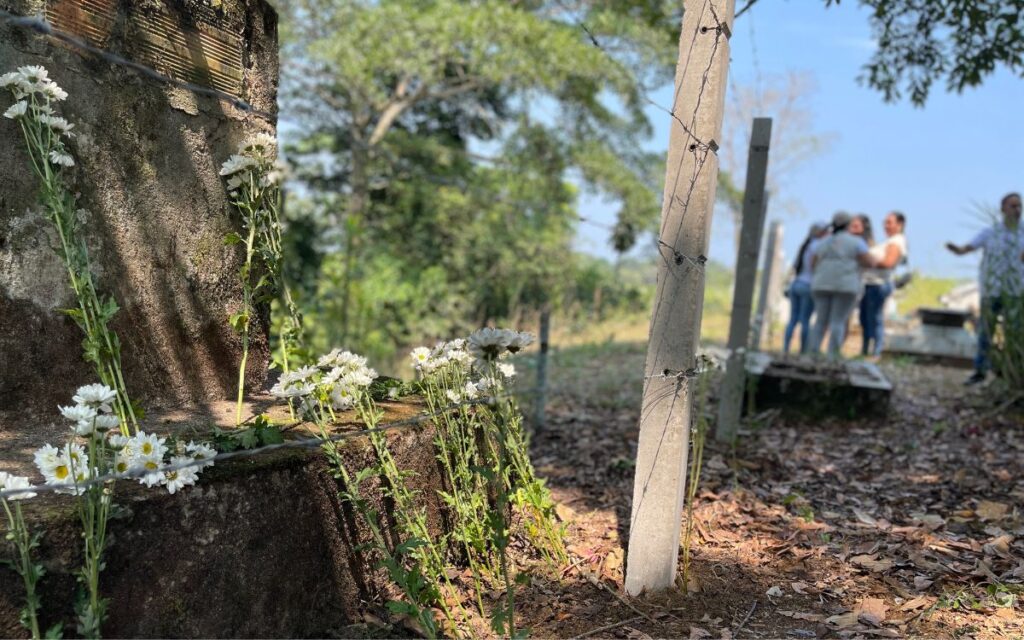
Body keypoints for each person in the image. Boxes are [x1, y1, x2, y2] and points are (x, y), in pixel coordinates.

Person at [946, 192, 1024, 385]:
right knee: (986, 332)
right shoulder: (991, 233)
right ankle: (980, 371)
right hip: (992, 290)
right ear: (1002, 209)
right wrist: (956, 249)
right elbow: (969, 247)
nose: (1017, 210)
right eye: (1013, 206)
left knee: (1013, 333)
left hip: (1015, 291)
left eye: (1019, 206)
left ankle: (1009, 371)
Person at [809, 212, 878, 359]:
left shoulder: (823, 242)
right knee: (838, 321)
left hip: (821, 283)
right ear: (848, 225)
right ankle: (832, 354)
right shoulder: (856, 242)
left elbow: (813, 263)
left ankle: (813, 351)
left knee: (820, 320)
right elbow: (870, 261)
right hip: (845, 285)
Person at [859, 212, 908, 357]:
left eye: (889, 222)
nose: (886, 226)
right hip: (869, 282)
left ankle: (876, 351)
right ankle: (866, 348)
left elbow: (888, 262)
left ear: (899, 225)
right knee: (865, 317)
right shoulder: (887, 241)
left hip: (879, 283)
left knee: (875, 317)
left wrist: (868, 261)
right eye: (885, 222)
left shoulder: (896, 242)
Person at [783, 222, 830, 354]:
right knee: (805, 320)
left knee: (792, 319)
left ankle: (786, 347)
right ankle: (803, 349)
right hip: (809, 285)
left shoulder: (805, 246)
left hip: (796, 283)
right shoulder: (818, 246)